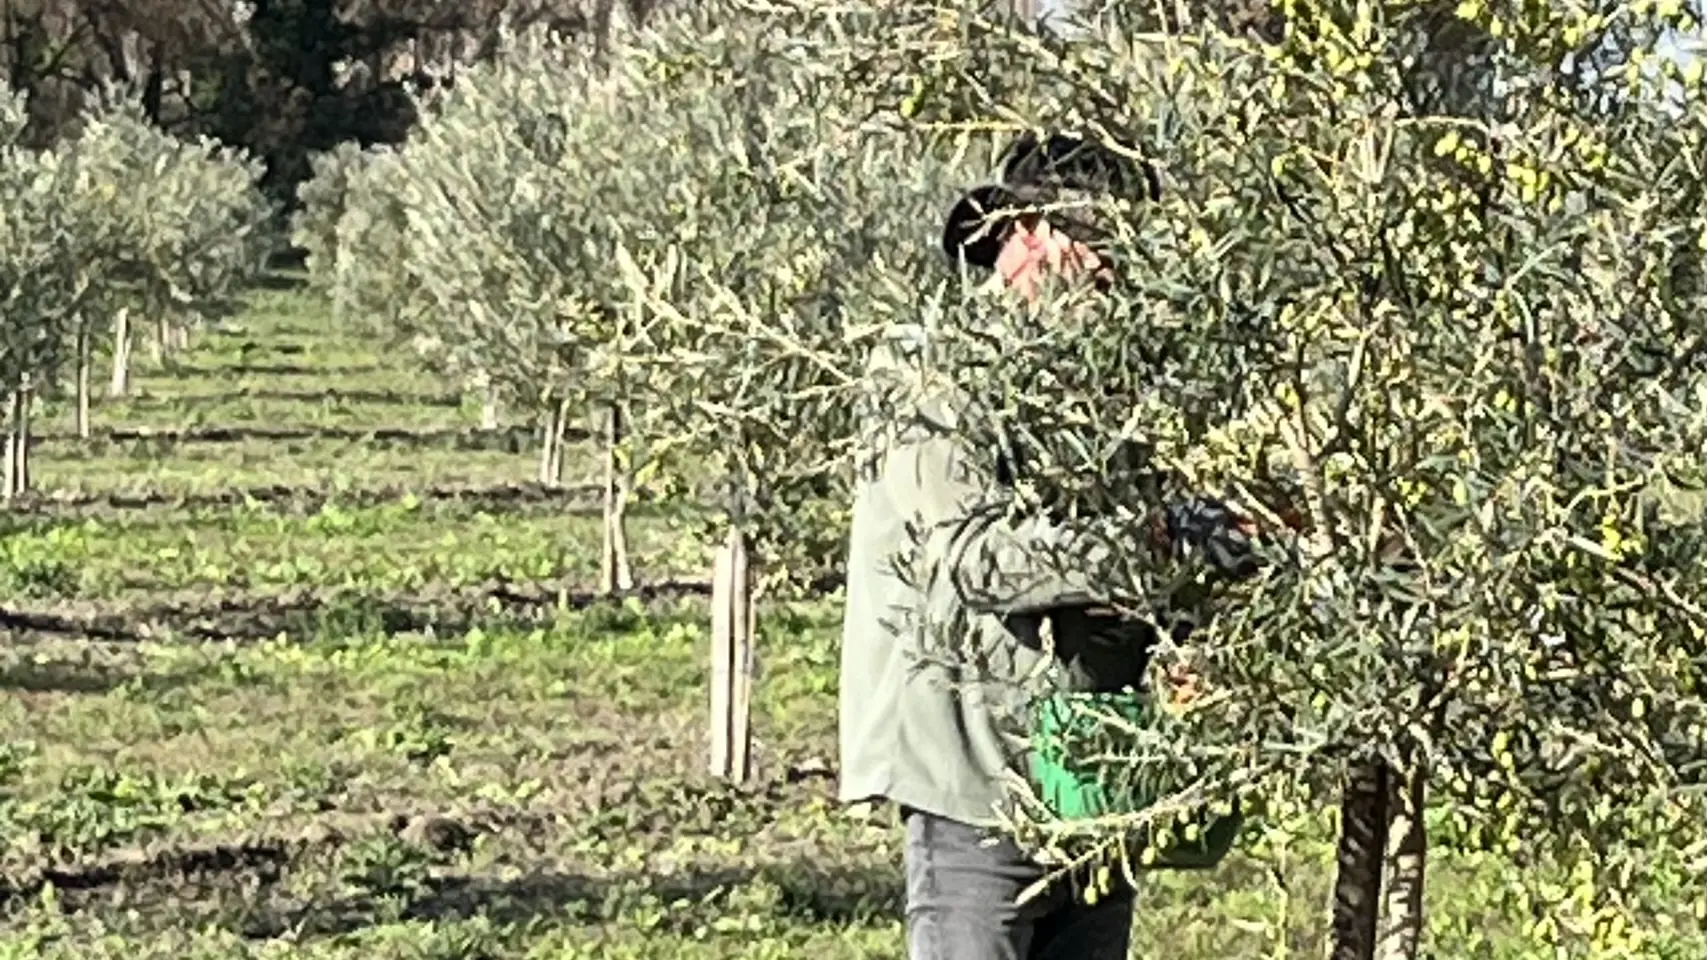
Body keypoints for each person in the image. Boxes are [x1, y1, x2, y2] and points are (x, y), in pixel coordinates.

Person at [837, 132, 1188, 960]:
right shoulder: (933, 372)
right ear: (1022, 231)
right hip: (976, 778)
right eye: (1094, 240)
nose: (1113, 266)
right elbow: (976, 558)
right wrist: (1156, 545)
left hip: (1095, 771)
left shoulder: (1116, 380)